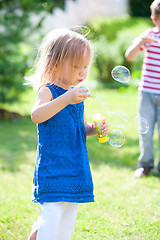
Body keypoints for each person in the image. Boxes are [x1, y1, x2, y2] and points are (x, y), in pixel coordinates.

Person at [27, 28, 109, 240]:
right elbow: (37, 116)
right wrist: (66, 98)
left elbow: (79, 127)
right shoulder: (48, 91)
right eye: (75, 66)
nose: (82, 72)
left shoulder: (75, 95)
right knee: (52, 214)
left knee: (67, 218)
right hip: (53, 167)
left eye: (85, 67)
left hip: (74, 165)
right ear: (55, 63)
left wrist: (94, 129)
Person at [125, 0, 160, 177]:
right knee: (145, 130)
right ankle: (145, 164)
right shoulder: (149, 36)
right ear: (154, 19)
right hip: (146, 90)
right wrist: (139, 41)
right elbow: (129, 56)